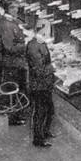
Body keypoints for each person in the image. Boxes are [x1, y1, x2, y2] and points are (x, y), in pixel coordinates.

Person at [23, 19, 56, 148]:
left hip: (45, 84)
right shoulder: (33, 46)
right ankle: (38, 138)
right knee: (40, 111)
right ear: (42, 29)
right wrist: (53, 67)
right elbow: (38, 69)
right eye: (48, 29)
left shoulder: (40, 42)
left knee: (49, 109)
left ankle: (45, 132)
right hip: (39, 85)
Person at [0, 1, 28, 127]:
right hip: (13, 63)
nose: (16, 9)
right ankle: (12, 117)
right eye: (12, 7)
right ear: (7, 9)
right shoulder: (7, 25)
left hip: (17, 63)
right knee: (13, 89)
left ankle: (17, 114)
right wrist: (25, 46)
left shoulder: (13, 22)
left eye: (16, 7)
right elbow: (9, 47)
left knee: (18, 89)